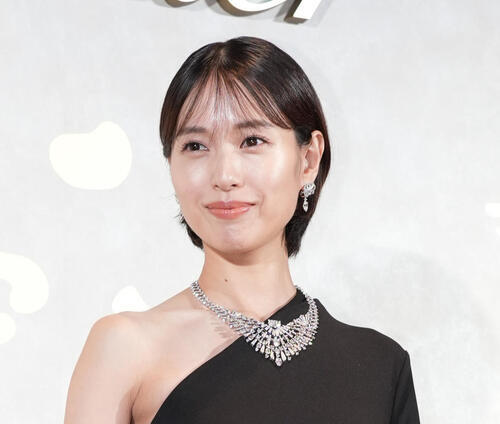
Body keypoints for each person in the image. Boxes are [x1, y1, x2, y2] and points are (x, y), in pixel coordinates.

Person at [64, 36, 420, 424]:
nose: (224, 175)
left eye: (252, 141)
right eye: (195, 146)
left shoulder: (380, 367)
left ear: (308, 159)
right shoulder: (125, 348)